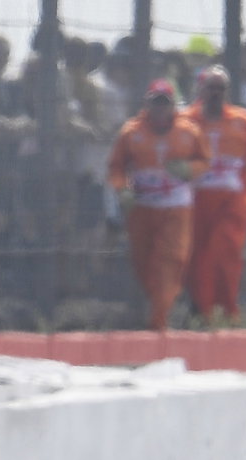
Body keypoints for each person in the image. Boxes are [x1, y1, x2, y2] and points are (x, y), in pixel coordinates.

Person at [107, 78, 210, 331]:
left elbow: (204, 161)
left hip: (176, 205)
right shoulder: (131, 132)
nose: (160, 109)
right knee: (143, 262)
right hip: (142, 205)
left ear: (173, 105)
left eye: (165, 103)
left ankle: (159, 320)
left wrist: (188, 168)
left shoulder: (189, 131)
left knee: (171, 259)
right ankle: (157, 308)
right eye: (156, 103)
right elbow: (116, 166)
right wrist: (122, 189)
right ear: (147, 104)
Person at [185, 65, 246, 326]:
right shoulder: (185, 121)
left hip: (232, 202)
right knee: (198, 257)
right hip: (194, 202)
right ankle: (202, 311)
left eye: (220, 89)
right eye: (210, 88)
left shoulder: (244, 121)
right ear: (199, 90)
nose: (215, 94)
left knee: (225, 250)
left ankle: (227, 310)